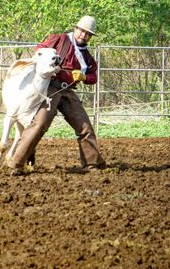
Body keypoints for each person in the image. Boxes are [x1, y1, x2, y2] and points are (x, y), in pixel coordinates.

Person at [7, 15, 106, 176]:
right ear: (76, 29)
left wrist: (84, 77)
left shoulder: (86, 57)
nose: (83, 35)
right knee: (39, 125)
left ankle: (91, 164)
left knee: (85, 127)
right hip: (51, 89)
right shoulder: (58, 40)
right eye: (82, 31)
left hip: (68, 92)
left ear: (90, 37)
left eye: (87, 34)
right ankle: (16, 164)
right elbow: (39, 51)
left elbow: (93, 77)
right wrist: (51, 66)